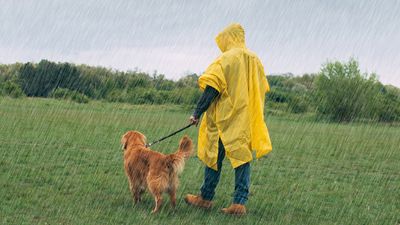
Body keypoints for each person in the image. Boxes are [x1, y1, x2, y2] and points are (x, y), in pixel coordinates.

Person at [184, 23, 272, 215]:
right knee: (242, 158)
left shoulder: (225, 59)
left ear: (228, 38)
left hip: (224, 118)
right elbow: (262, 87)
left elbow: (212, 88)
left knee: (213, 156)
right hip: (244, 118)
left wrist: (197, 112)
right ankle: (239, 203)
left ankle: (206, 198)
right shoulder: (255, 59)